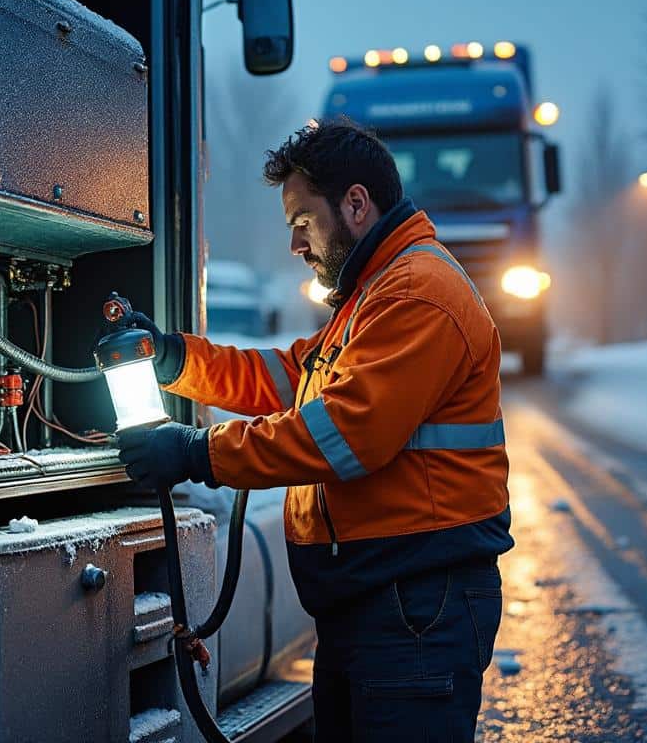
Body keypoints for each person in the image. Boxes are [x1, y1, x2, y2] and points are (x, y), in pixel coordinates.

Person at [116, 118, 513, 741]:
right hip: (383, 603)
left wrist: (196, 452)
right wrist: (175, 358)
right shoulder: (374, 293)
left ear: (356, 204)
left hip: (414, 606)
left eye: (303, 222)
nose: (296, 245)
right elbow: (291, 377)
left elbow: (344, 433)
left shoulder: (417, 293)